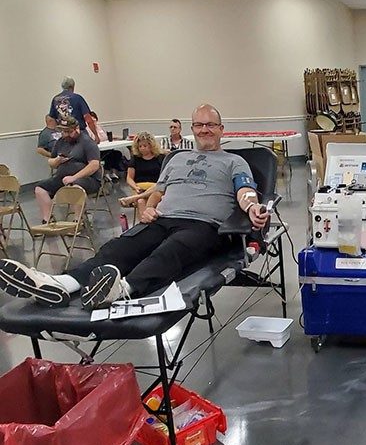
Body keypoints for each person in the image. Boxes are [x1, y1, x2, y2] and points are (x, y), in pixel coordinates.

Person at [0, 103, 270, 309]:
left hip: (204, 225)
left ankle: (121, 289)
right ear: (193, 128)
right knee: (119, 247)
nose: (204, 130)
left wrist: (252, 209)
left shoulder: (233, 162)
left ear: (221, 129)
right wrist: (148, 207)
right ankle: (63, 283)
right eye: (199, 125)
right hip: (163, 219)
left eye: (211, 125)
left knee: (170, 252)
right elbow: (158, 191)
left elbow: (245, 191)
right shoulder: (176, 159)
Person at [33, 116, 102, 222]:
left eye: (68, 131)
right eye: (63, 131)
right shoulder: (61, 142)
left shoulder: (87, 142)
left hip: (88, 179)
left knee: (76, 186)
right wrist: (58, 160)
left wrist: (74, 177)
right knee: (40, 188)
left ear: (76, 129)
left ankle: (78, 220)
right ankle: (48, 219)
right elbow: (51, 162)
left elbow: (94, 165)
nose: (65, 134)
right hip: (63, 177)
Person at [121, 131, 165, 221]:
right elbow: (129, 178)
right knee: (141, 201)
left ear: (151, 145)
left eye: (145, 146)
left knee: (153, 197)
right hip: (140, 188)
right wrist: (135, 187)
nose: (142, 149)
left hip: (155, 188)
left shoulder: (160, 158)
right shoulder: (135, 159)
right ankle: (144, 225)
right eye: (140, 146)